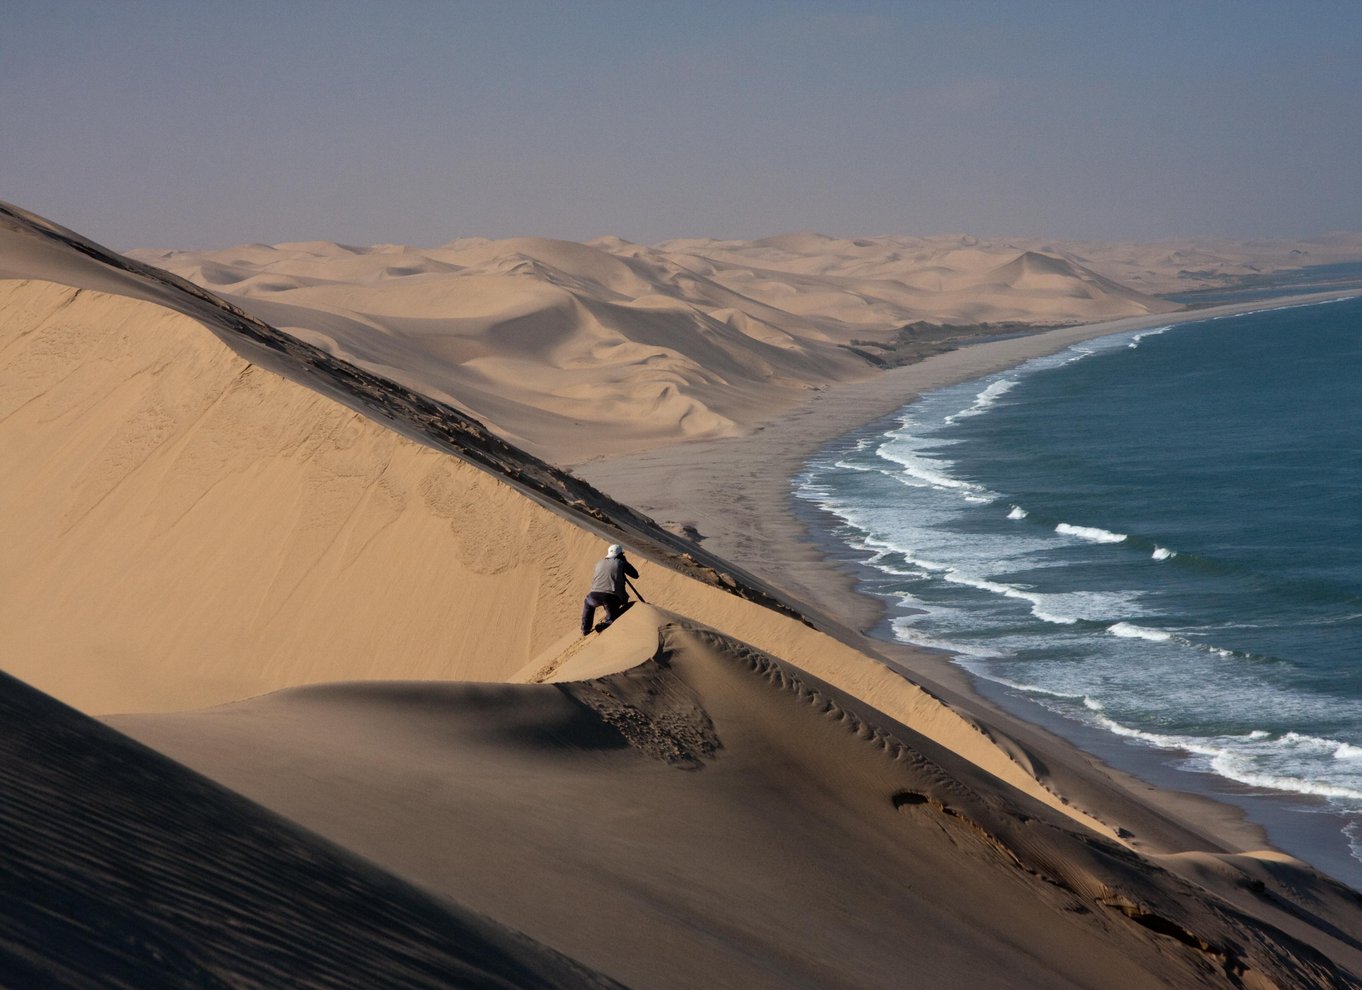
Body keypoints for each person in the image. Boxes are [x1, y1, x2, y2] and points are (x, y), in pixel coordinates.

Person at [580, 544, 639, 635]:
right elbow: (635, 575)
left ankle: (585, 629)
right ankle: (607, 622)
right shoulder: (621, 563)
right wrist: (625, 562)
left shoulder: (599, 563)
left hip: (594, 595)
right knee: (612, 619)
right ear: (620, 555)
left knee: (588, 603)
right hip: (611, 598)